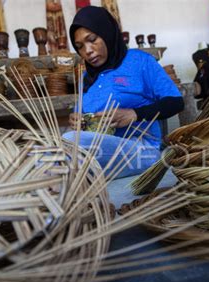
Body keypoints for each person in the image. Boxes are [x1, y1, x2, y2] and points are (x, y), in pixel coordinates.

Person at [63, 6, 184, 178]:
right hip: (100, 149)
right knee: (52, 148)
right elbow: (80, 121)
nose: (87, 51)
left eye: (92, 39)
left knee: (70, 144)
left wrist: (133, 114)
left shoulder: (140, 61)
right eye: (80, 46)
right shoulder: (86, 77)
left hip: (141, 148)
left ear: (107, 33)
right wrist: (77, 120)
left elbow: (176, 102)